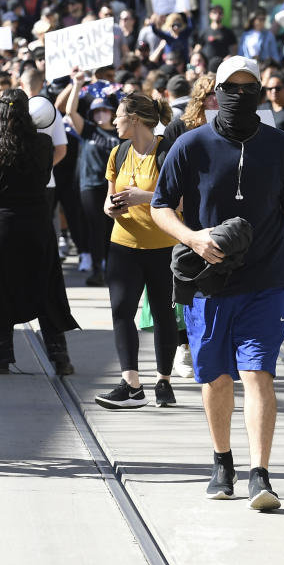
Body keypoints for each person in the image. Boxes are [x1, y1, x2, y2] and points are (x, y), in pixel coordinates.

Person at [150, 56, 284, 510]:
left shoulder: (281, 146)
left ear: (261, 94)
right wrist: (193, 237)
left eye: (251, 89)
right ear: (216, 92)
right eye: (233, 88)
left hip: (268, 281)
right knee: (216, 377)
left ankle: (260, 474)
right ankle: (222, 460)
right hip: (208, 282)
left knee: (258, 372)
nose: (241, 97)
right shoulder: (191, 145)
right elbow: (161, 206)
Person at [0, 88, 78, 374]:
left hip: (2, 225)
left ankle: (0, 354)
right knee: (45, 287)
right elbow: (43, 180)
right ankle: (60, 356)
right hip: (37, 223)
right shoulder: (43, 143)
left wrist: (0, 203)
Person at [93, 93, 180, 410]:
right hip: (123, 245)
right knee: (121, 311)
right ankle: (131, 384)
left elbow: (180, 200)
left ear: (136, 119)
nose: (113, 121)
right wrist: (112, 208)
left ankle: (163, 381)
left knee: (162, 313)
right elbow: (108, 200)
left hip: (162, 246)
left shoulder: (166, 152)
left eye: (118, 116)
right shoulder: (118, 152)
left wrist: (142, 197)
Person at [59, 76, 119, 286]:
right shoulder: (89, 130)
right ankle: (97, 270)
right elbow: (69, 112)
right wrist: (76, 84)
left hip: (115, 187)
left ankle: (113, 270)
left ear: (112, 112)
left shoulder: (122, 133)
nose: (101, 113)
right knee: (96, 228)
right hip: (91, 186)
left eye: (104, 109)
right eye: (96, 111)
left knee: (113, 230)